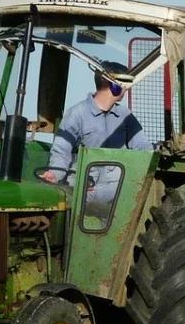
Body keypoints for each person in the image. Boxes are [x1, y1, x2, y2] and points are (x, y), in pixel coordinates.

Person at [43, 62, 151, 220]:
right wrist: (54, 174)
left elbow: (142, 146)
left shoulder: (125, 116)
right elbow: (62, 150)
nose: (127, 88)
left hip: (115, 187)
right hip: (86, 188)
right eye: (124, 84)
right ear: (112, 85)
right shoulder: (77, 113)